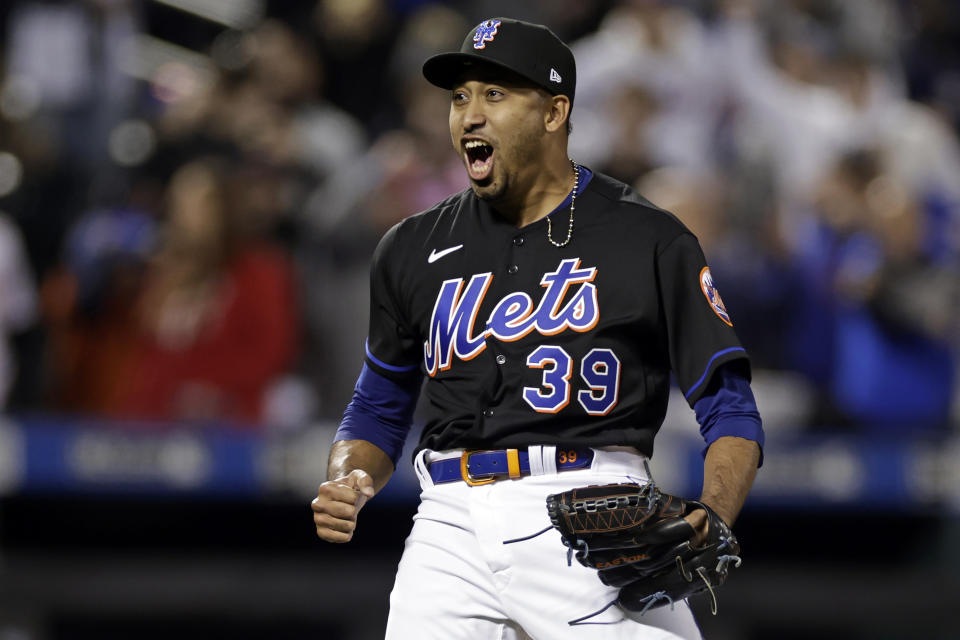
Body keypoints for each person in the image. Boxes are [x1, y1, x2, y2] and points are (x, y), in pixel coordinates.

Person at [312, 17, 764, 640]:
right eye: (460, 96)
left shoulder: (647, 238)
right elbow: (378, 405)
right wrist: (349, 476)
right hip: (448, 522)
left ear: (555, 112)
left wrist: (716, 513)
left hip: (592, 513)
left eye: (495, 94)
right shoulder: (411, 247)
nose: (469, 114)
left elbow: (729, 405)